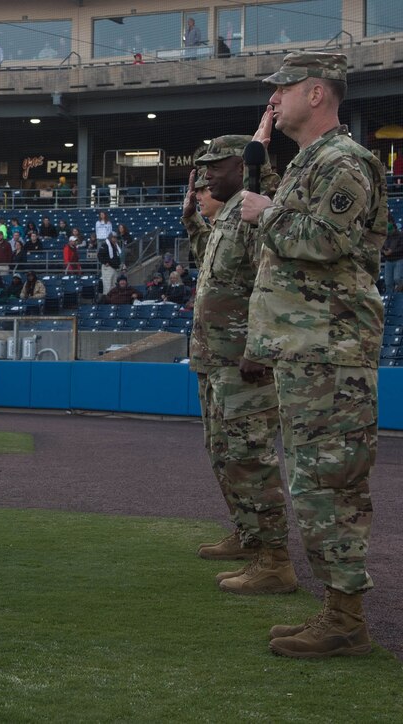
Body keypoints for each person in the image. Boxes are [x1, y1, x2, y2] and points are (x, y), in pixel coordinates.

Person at [240, 52, 387, 658]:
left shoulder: (345, 161)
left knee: (332, 485)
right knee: (315, 484)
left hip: (332, 349)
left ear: (318, 94)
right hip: (307, 349)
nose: (273, 99)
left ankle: (347, 618)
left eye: (284, 89)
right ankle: (336, 609)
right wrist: (261, 166)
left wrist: (267, 211)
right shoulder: (306, 162)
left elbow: (326, 239)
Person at [181, 132, 293, 596]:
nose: (206, 174)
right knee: (224, 453)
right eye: (203, 166)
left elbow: (275, 282)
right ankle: (250, 537)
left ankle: (275, 561)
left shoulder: (253, 210)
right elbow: (215, 273)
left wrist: (259, 347)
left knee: (251, 459)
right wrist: (191, 221)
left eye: (216, 165)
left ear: (242, 167)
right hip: (215, 359)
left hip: (243, 363)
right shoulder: (227, 217)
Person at [97, 229, 123, 295]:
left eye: (116, 238)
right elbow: (99, 255)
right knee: (107, 286)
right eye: (113, 237)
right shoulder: (105, 244)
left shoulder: (116, 246)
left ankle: (113, 301)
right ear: (110, 238)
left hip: (115, 268)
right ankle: (106, 302)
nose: (115, 239)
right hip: (108, 268)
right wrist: (105, 262)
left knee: (114, 286)